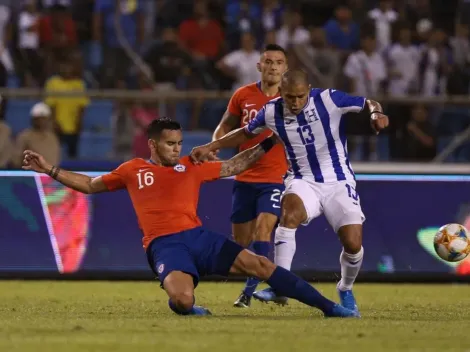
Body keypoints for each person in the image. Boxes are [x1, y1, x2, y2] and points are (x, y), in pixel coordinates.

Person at [23, 117, 358, 318]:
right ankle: (186, 307)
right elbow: (90, 185)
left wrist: (272, 139)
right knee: (182, 300)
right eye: (170, 144)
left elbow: (234, 165)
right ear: (153, 145)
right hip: (165, 247)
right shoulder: (132, 170)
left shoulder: (191, 166)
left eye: (179, 142)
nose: (176, 148)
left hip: (200, 239)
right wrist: (49, 169)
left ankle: (330, 308)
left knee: (263, 266)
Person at [190, 70, 389, 315]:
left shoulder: (328, 99)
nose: (294, 102)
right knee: (289, 213)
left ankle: (345, 287)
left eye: (300, 96)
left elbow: (369, 102)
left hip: (338, 182)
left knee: (353, 244)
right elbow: (245, 132)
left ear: (309, 89)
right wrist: (212, 145)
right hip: (302, 179)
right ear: (281, 93)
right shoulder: (272, 111)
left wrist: (376, 113)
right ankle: (280, 285)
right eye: (289, 97)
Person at [212, 43, 288, 308]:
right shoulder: (243, 95)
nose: (273, 67)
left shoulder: (293, 99)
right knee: (242, 242)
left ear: (285, 68)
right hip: (244, 177)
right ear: (259, 66)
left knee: (264, 228)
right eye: (268, 62)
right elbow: (225, 127)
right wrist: (215, 146)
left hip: (277, 177)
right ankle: (262, 282)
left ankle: (249, 292)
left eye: (278, 62)